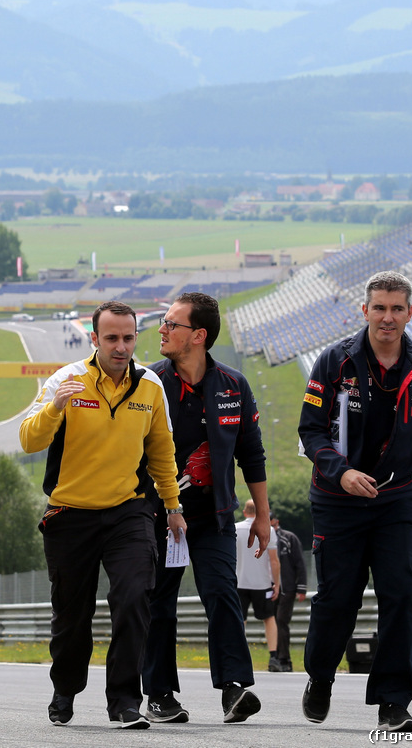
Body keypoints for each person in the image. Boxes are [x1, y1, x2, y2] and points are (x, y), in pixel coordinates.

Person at [298, 271, 412, 734]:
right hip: (337, 500)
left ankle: (393, 702)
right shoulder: (334, 361)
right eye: (379, 308)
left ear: (410, 313)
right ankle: (321, 676)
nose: (387, 317)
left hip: (396, 500)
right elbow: (309, 431)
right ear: (365, 311)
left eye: (396, 309)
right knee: (338, 599)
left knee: (401, 594)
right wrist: (342, 472)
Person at [20, 300, 182, 730]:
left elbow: (162, 453)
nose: (121, 346)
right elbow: (28, 441)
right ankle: (65, 688)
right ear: (94, 339)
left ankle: (126, 701)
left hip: (128, 512)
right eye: (111, 338)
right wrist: (55, 407)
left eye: (129, 338)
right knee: (72, 616)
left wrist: (172, 506)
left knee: (133, 598)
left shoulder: (150, 386)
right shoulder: (66, 380)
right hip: (70, 514)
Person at [141, 292, 271, 725]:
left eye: (171, 324)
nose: (161, 329)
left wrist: (263, 515)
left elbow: (251, 454)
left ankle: (234, 690)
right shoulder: (149, 383)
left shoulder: (234, 385)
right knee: (160, 603)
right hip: (159, 517)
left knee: (222, 595)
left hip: (213, 516)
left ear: (198, 335)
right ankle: (158, 694)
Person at [235, 499, 280, 669]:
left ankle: (238, 656)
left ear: (245, 512)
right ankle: (273, 657)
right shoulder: (268, 529)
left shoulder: (235, 528)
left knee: (240, 619)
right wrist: (276, 583)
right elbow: (274, 561)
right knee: (269, 618)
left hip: (239, 581)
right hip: (262, 583)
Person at [270, 512, 308, 672]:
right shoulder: (262, 535)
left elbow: (300, 563)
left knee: (281, 621)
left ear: (276, 521)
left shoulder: (288, 538)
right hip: (270, 588)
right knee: (273, 622)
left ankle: (285, 659)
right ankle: (275, 658)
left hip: (287, 588)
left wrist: (302, 587)